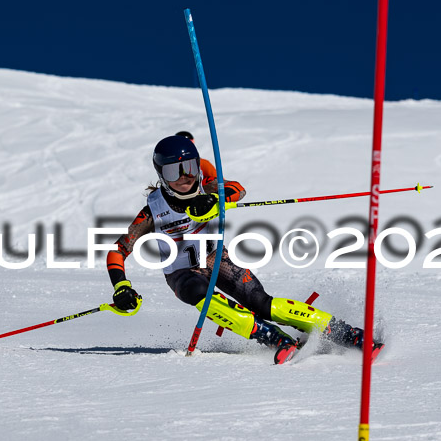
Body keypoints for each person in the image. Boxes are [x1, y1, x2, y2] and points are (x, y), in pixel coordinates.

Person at [107, 135, 378, 364]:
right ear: (161, 175)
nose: (184, 178)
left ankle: (346, 333)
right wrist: (121, 286)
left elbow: (238, 190)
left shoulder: (206, 186)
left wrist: (214, 198)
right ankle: (272, 338)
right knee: (199, 295)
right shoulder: (152, 211)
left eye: (189, 168)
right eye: (173, 172)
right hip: (181, 272)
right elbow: (119, 250)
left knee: (262, 303)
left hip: (215, 260)